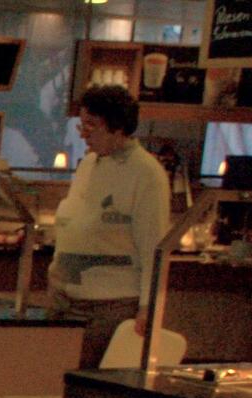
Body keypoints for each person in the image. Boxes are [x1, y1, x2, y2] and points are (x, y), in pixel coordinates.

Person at [47, 85, 172, 369]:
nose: (83, 132)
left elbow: (154, 248)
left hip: (109, 306)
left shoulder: (147, 174)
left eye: (92, 125)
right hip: (65, 298)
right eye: (82, 124)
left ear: (117, 127)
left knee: (88, 383)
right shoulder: (89, 164)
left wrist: (148, 309)